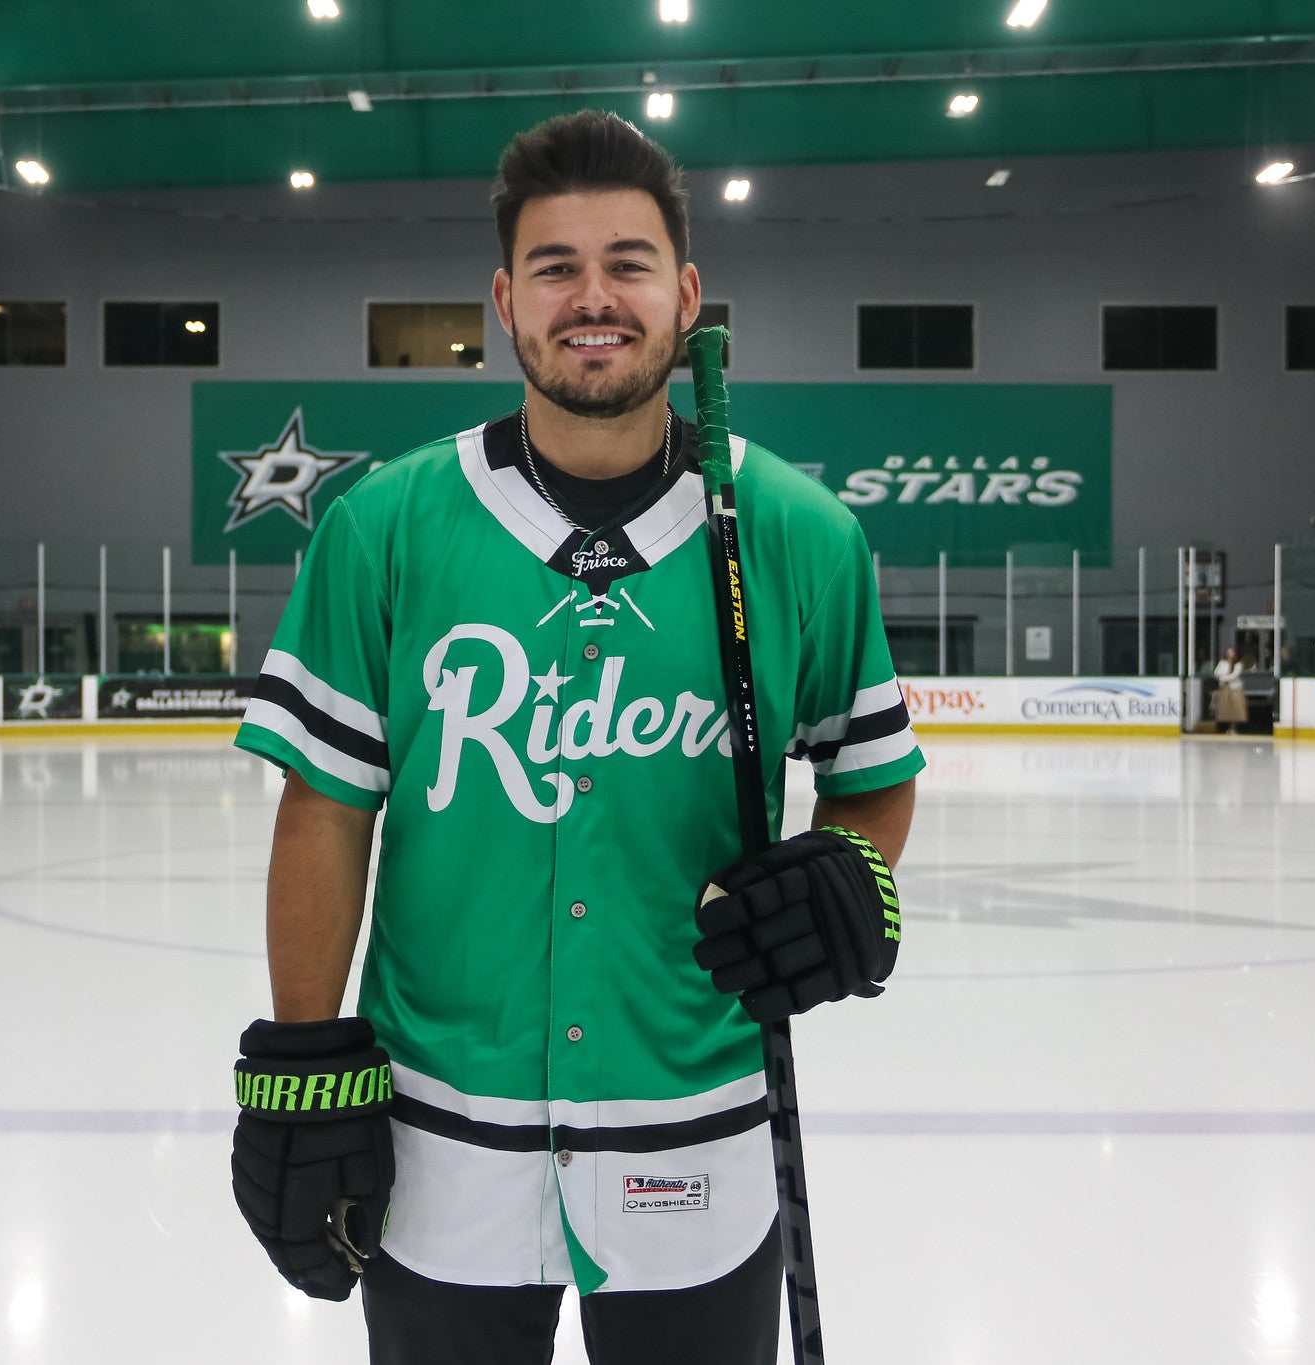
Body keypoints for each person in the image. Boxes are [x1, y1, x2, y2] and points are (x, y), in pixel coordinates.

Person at [229, 109, 924, 1365]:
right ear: (505, 300)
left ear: (685, 296)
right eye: (554, 267)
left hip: (700, 1130)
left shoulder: (797, 533)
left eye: (626, 264)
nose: (591, 297)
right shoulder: (382, 527)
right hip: (438, 1139)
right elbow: (326, 803)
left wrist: (850, 872)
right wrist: (299, 1053)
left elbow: (869, 775)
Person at [1214, 645, 1248, 733]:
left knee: (1235, 708)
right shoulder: (1222, 663)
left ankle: (1234, 727)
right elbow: (1216, 673)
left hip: (1235, 688)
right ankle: (1227, 727)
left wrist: (1222, 678)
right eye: (1228, 652)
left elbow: (1234, 676)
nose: (1230, 654)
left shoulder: (1238, 664)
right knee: (1226, 708)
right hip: (1224, 688)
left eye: (1232, 652)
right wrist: (1221, 677)